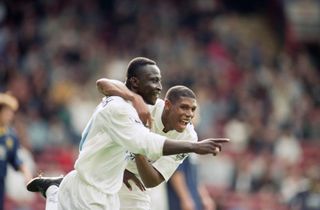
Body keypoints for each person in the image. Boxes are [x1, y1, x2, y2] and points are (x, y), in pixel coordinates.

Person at [27, 57, 227, 210]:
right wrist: (134, 99)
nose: (189, 115)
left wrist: (134, 153)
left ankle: (57, 191)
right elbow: (103, 84)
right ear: (167, 106)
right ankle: (57, 193)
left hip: (135, 182)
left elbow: (153, 179)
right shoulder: (134, 106)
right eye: (184, 108)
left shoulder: (188, 136)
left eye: (193, 109)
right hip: (101, 173)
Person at [0, 92, 32, 210]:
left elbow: (15, 160)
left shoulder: (11, 137)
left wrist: (26, 173)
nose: (10, 115)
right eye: (7, 112)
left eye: (11, 113)